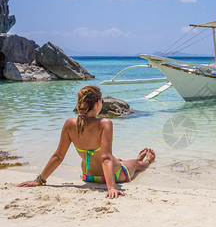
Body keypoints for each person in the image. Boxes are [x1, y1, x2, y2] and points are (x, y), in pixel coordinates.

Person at [17, 85, 155, 199]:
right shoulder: (105, 123)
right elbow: (106, 158)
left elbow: (58, 156)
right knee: (136, 165)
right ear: (97, 104)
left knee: (117, 159)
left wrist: (39, 180)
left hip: (87, 176)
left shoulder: (69, 124)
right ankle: (147, 160)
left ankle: (131, 159)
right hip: (113, 176)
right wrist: (111, 187)